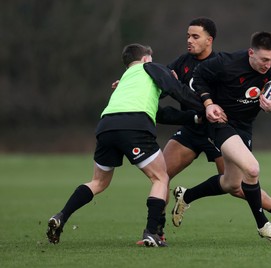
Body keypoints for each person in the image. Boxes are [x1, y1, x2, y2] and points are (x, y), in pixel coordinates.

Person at [46, 43, 204, 247]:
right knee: (160, 177)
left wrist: (194, 118)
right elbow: (176, 90)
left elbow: (161, 113)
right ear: (146, 59)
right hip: (134, 126)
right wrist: (206, 106)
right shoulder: (151, 68)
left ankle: (61, 216)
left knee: (98, 182)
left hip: (106, 126)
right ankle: (151, 232)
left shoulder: (127, 80)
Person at [171, 31, 271, 244]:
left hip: (243, 128)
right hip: (219, 122)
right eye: (263, 59)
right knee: (252, 169)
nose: (268, 65)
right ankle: (263, 225)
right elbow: (197, 79)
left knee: (232, 184)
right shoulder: (226, 62)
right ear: (251, 52)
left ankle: (186, 196)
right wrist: (209, 104)